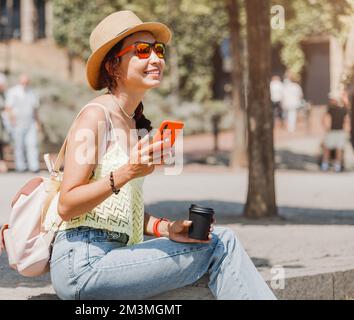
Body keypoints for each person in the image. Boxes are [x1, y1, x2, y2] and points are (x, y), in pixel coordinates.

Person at [47, 10, 276, 300]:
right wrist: (128, 171)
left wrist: (167, 228)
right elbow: (67, 205)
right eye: (142, 51)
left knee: (216, 245)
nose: (155, 58)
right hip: (83, 264)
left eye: (158, 50)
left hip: (114, 255)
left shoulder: (132, 122)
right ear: (113, 66)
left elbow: (115, 212)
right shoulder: (95, 116)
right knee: (223, 243)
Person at [5, 74, 41, 173]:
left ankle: (34, 166)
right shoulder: (13, 92)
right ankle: (20, 166)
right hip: (17, 123)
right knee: (19, 145)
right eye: (23, 82)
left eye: (26, 82)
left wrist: (38, 123)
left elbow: (35, 110)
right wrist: (12, 121)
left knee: (32, 144)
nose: (24, 84)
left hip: (30, 122)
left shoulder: (32, 93)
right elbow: (8, 108)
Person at [321, 90, 350, 172]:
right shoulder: (330, 109)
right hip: (331, 131)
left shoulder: (343, 109)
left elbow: (347, 109)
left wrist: (344, 96)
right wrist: (326, 127)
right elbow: (324, 118)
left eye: (332, 99)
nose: (331, 101)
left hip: (340, 132)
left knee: (339, 149)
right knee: (327, 148)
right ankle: (325, 164)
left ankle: (337, 165)